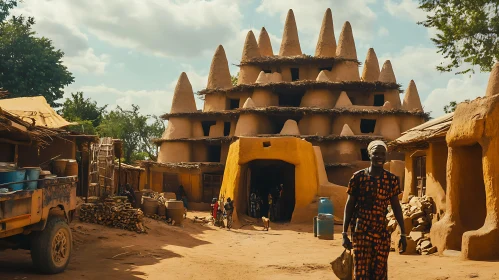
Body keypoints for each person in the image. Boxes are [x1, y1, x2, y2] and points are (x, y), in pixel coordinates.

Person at [342, 140, 407, 280]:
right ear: (369, 155)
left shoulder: (392, 180)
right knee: (361, 271)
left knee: (379, 271)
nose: (379, 157)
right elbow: (349, 205)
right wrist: (344, 233)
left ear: (386, 156)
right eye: (375, 153)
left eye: (382, 154)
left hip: (381, 231)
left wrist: (403, 233)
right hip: (361, 231)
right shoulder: (358, 177)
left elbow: (396, 207)